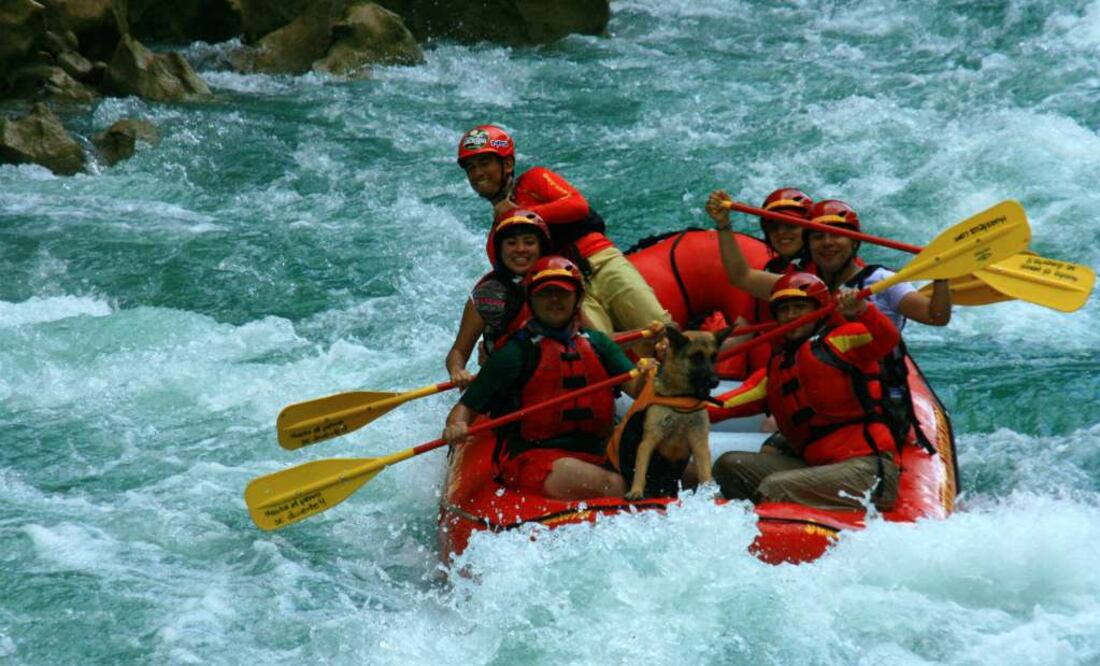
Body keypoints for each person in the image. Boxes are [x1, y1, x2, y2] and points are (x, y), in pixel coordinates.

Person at [708, 195, 953, 444]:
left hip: (873, 399)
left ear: (855, 243)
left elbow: (936, 316)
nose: (827, 243)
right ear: (809, 244)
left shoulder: (881, 281)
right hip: (825, 393)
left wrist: (942, 276)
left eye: (837, 235)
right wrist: (723, 225)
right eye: (818, 236)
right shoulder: (810, 287)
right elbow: (741, 276)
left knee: (773, 425)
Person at [442, 256, 650, 500]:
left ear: (577, 299)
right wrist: (455, 427)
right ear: (531, 300)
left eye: (562, 294)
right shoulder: (514, 353)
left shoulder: (598, 344)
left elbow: (637, 388)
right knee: (613, 483)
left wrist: (651, 374)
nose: (554, 301)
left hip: (600, 450)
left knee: (678, 471)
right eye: (545, 294)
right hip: (537, 459)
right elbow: (465, 408)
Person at [456, 124, 671, 340]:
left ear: (508, 164)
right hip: (569, 291)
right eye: (471, 168)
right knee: (599, 348)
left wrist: (521, 212)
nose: (478, 173)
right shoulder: (496, 240)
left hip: (601, 262)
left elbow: (578, 206)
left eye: (484, 163)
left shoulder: (535, 180)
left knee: (660, 326)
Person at [708, 273, 902, 510]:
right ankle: (753, 530)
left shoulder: (844, 340)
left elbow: (887, 337)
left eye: (800, 307)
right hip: (816, 470)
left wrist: (863, 310)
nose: (791, 315)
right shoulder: (775, 371)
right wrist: (659, 392)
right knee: (729, 465)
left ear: (819, 310)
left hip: (868, 470)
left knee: (777, 487)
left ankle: (772, 532)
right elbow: (717, 407)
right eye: (784, 309)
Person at [446, 209, 550, 389]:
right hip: (508, 385)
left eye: (529, 242)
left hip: (557, 375)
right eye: (511, 243)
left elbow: (591, 335)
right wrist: (457, 371)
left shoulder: (561, 282)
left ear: (541, 247)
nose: (520, 249)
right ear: (500, 250)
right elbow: (458, 351)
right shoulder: (488, 294)